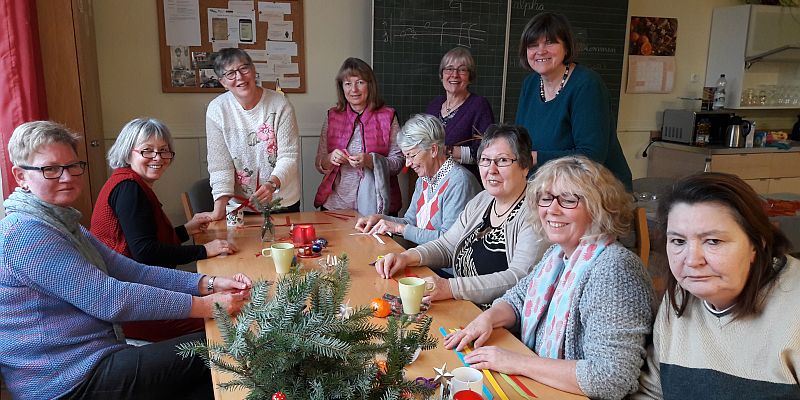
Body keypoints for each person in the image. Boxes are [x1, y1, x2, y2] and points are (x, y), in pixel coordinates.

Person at [0, 121, 251, 399]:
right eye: (50, 169)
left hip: (97, 358)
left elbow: (132, 271)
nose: (67, 177)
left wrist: (210, 282)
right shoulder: (26, 234)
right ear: (21, 176)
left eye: (72, 166)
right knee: (230, 340)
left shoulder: (63, 223)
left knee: (219, 371)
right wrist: (206, 305)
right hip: (66, 382)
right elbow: (110, 299)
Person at [445, 156, 653, 400]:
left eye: (568, 199)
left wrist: (517, 362)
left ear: (599, 208)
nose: (552, 209)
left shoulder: (614, 269)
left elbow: (611, 378)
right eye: (546, 198)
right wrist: (488, 319)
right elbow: (518, 298)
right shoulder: (557, 254)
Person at [634, 173, 799, 399]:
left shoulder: (794, 308)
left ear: (757, 244)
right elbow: (652, 393)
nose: (692, 260)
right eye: (678, 241)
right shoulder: (681, 297)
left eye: (713, 241)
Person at [90, 118, 236, 342]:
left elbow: (143, 240)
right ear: (128, 153)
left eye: (164, 151)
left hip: (140, 291)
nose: (158, 158)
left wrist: (186, 230)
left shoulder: (127, 182)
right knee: (228, 315)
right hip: (134, 307)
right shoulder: (129, 189)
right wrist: (203, 251)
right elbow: (146, 253)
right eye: (147, 151)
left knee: (225, 296)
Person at [375, 125, 546, 305]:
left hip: (496, 318)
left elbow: (518, 278)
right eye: (485, 160)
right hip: (461, 303)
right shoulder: (483, 200)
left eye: (502, 160)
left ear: (525, 166)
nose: (491, 169)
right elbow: (448, 245)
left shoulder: (536, 211)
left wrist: (451, 287)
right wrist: (406, 257)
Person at [515, 12, 632, 190]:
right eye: (533, 45)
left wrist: (535, 158)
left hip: (597, 194)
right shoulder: (530, 84)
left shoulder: (587, 85)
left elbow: (591, 157)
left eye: (549, 42)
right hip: (549, 188)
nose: (540, 51)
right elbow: (520, 139)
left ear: (567, 47)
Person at [205, 48, 300, 220]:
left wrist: (271, 184)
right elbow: (220, 165)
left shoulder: (280, 105)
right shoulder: (217, 109)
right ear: (223, 82)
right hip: (240, 205)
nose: (239, 77)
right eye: (230, 74)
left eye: (244, 68)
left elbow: (289, 156)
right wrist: (218, 210)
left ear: (254, 70)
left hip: (282, 201)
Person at [355, 114, 480, 244]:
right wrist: (379, 219)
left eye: (411, 155)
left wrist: (399, 228)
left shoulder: (460, 182)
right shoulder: (424, 179)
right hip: (425, 260)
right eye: (405, 157)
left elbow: (448, 241)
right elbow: (410, 222)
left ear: (433, 150)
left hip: (445, 264)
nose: (408, 164)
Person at [314, 57, 404, 215]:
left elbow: (398, 163)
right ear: (342, 87)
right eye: (348, 84)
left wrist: (371, 161)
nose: (354, 90)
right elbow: (320, 164)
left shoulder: (388, 116)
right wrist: (330, 158)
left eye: (360, 82)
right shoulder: (332, 116)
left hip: (377, 207)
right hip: (336, 206)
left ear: (370, 85)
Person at [425, 47, 495, 180]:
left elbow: (484, 153)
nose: (454, 75)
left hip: (463, 183)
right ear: (442, 75)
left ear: (470, 77)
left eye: (462, 70)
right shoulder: (434, 106)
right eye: (449, 69)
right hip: (433, 181)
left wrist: (446, 150)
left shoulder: (479, 105)